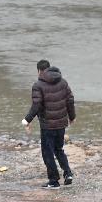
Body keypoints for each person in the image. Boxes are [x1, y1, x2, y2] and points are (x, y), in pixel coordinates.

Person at [22, 60, 76, 189]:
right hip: (61, 124)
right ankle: (68, 173)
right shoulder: (63, 82)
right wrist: (72, 117)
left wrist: (27, 120)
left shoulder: (38, 85)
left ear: (39, 71)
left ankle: (53, 181)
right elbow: (70, 100)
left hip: (47, 126)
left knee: (47, 153)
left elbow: (36, 105)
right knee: (59, 149)